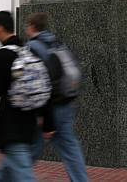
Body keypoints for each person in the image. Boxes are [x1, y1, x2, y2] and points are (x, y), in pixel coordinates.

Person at [0, 11, 54, 182]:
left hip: (11, 126)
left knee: (23, 172)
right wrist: (48, 122)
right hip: (30, 123)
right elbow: (42, 87)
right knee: (9, 168)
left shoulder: (3, 56)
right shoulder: (27, 51)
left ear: (0, 28)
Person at [26, 12, 87, 182]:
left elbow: (33, 80)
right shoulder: (57, 43)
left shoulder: (33, 47)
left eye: (27, 26)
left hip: (46, 107)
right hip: (65, 105)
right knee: (70, 148)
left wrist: (40, 114)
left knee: (28, 149)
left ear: (32, 27)